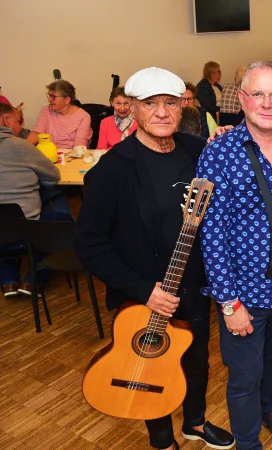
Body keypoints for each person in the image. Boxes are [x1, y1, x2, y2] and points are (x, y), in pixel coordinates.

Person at [74, 67, 235, 450]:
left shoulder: (198, 152)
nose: (162, 112)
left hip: (193, 288)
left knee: (197, 363)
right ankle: (161, 438)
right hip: (141, 296)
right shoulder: (112, 170)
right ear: (131, 108)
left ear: (183, 108)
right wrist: (144, 290)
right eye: (151, 104)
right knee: (147, 364)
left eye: (171, 103)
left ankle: (194, 422)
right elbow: (90, 244)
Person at [198, 60, 272, 450]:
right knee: (245, 376)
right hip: (243, 294)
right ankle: (248, 443)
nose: (266, 103)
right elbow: (209, 233)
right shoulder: (219, 152)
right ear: (242, 99)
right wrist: (229, 303)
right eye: (257, 94)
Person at [0, 102, 61, 297]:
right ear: (6, 120)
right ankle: (32, 281)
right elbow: (52, 176)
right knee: (64, 226)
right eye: (18, 121)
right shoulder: (20, 145)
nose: (20, 127)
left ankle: (8, 280)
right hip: (27, 228)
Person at [27, 80, 91, 148]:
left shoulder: (84, 117)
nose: (49, 100)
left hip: (71, 156)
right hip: (49, 154)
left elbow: (79, 147)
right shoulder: (46, 110)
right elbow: (37, 133)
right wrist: (22, 148)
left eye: (53, 97)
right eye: (49, 96)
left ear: (67, 100)